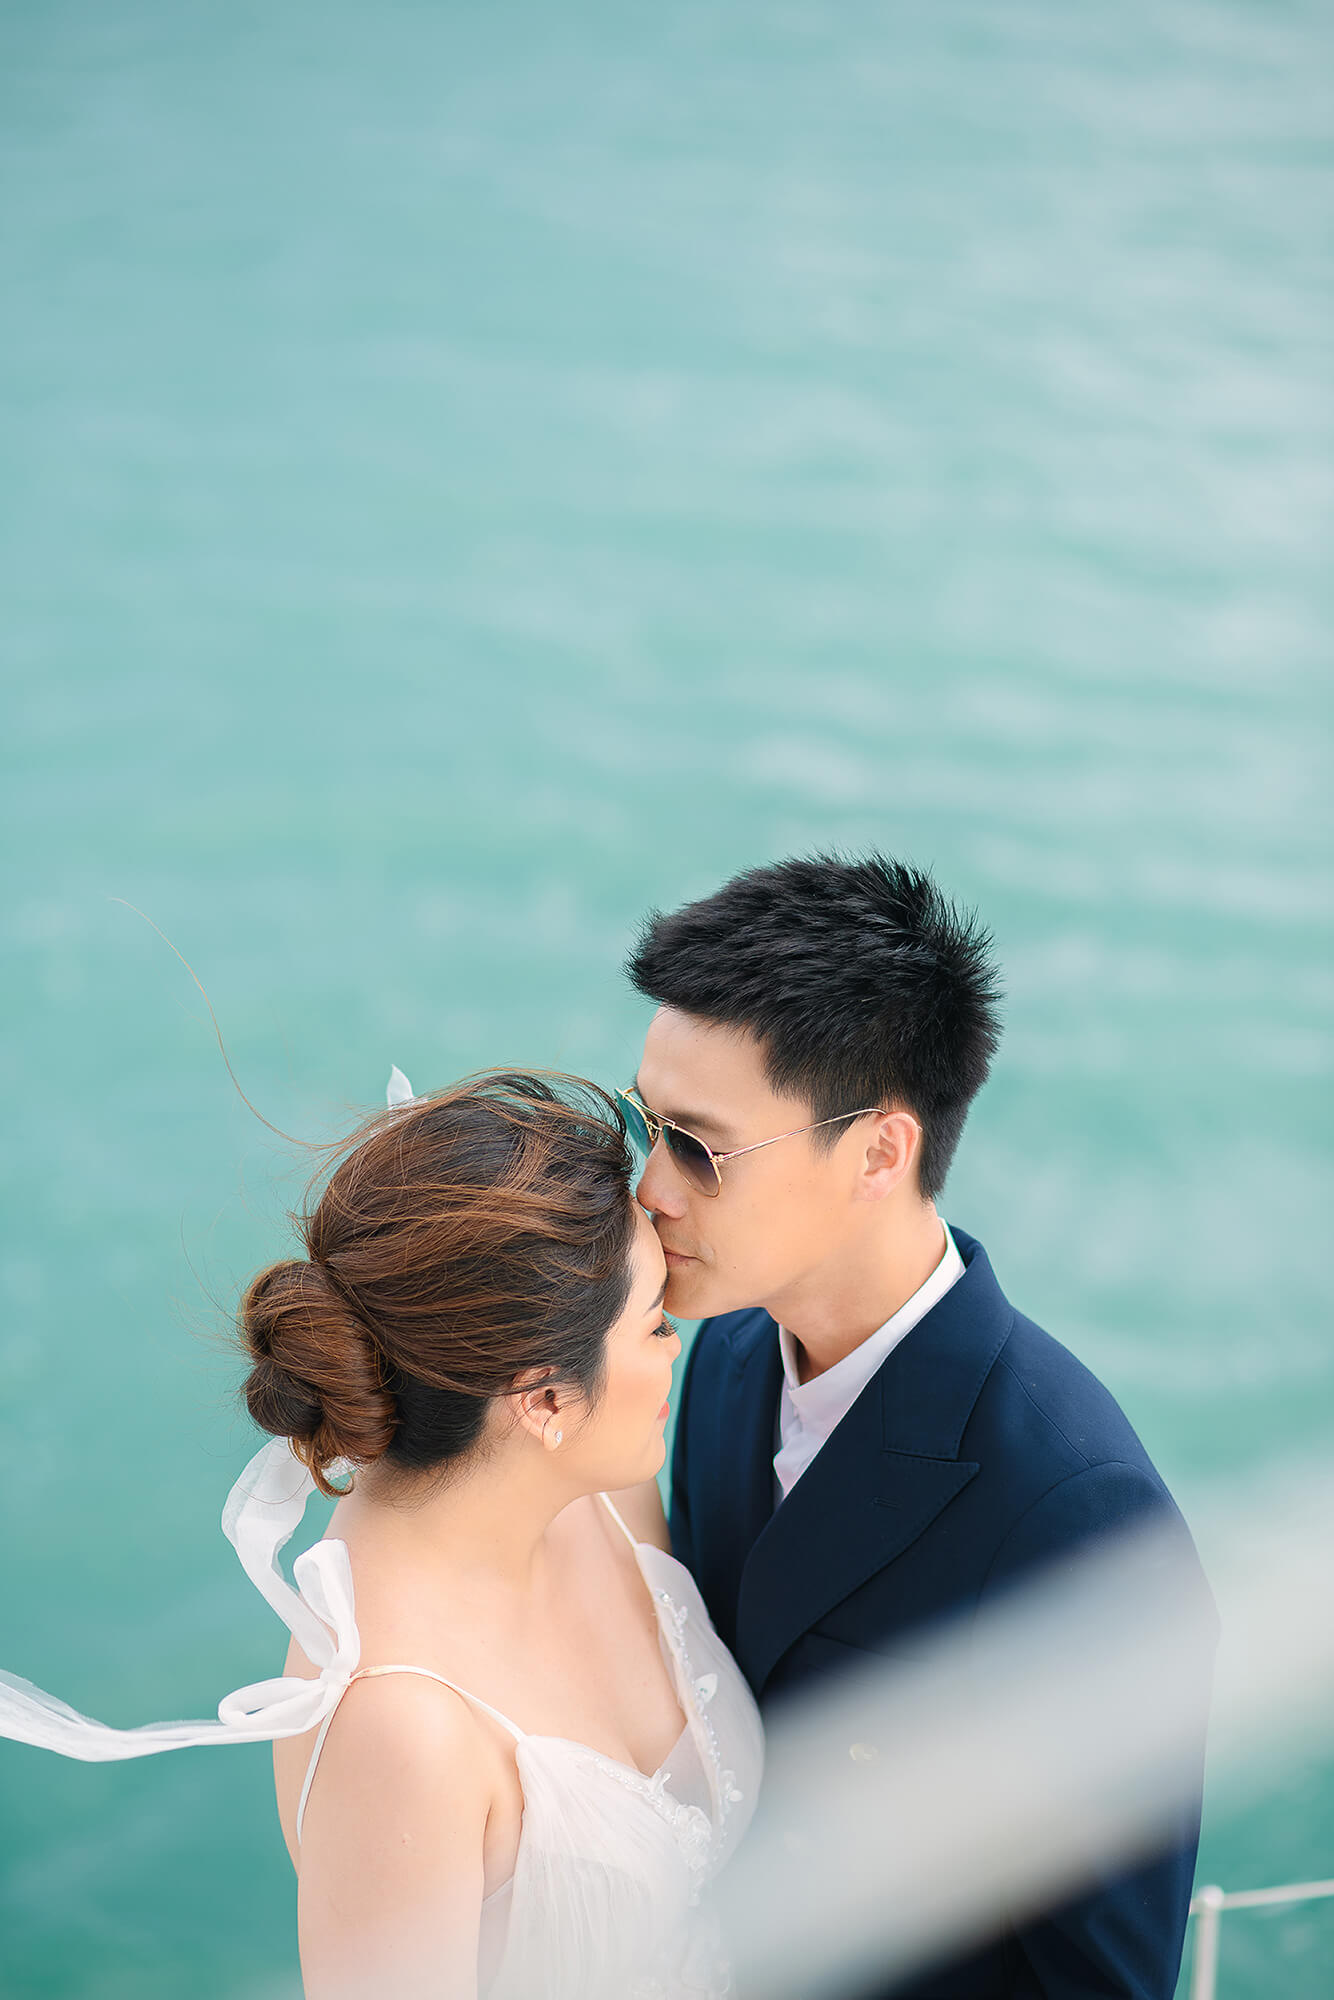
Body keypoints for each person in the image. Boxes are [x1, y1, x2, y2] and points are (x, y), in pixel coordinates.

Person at [0, 1070, 763, 2000]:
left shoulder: (597, 1492)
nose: (677, 1339)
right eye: (652, 1327)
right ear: (546, 1399)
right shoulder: (403, 1730)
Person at [623, 853, 1214, 2000]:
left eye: (697, 1144)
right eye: (644, 1124)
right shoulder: (725, 1356)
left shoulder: (1072, 1507)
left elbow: (1100, 1977)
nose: (650, 1186)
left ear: (879, 1152)